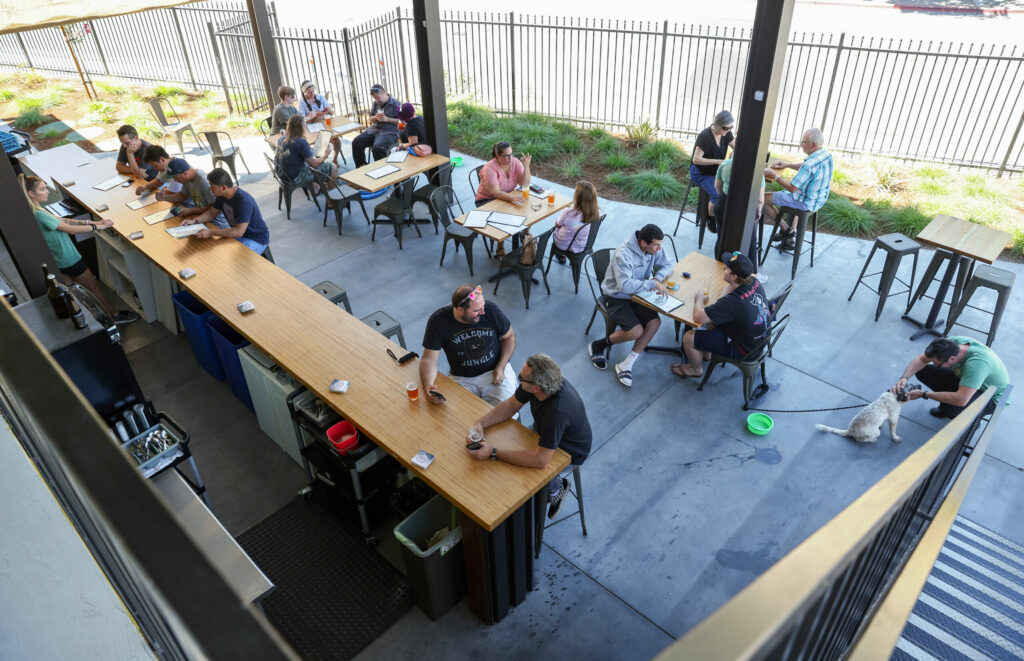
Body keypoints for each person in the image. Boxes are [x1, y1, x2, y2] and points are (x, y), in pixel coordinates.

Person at [466, 353, 593, 519]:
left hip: (568, 451)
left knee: (520, 478)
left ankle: (557, 487)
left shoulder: (557, 412)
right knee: (509, 461)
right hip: (544, 432)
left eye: (521, 378)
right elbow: (511, 405)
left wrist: (493, 452)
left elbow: (541, 460)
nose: (519, 380)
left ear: (536, 388)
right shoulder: (539, 385)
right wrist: (480, 424)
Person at [24, 176, 138, 325]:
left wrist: (89, 222)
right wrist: (98, 227)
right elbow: (70, 229)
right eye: (42, 189)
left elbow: (63, 220)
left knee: (74, 293)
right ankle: (115, 315)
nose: (47, 192)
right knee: (93, 288)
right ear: (31, 193)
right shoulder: (40, 214)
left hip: (58, 260)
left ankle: (95, 320)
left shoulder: (36, 210)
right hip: (68, 259)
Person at [588, 223, 673, 388]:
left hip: (638, 295)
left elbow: (669, 263)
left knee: (655, 322)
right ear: (643, 243)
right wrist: (651, 284)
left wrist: (657, 278)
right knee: (636, 331)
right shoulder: (623, 254)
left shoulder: (654, 248)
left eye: (660, 244)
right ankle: (598, 345)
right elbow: (624, 286)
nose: (659, 249)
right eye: (656, 245)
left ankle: (627, 364)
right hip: (615, 296)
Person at [671, 252, 771, 379]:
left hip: (744, 350)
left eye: (727, 268)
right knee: (714, 319)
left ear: (734, 277)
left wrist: (699, 300)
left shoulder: (733, 302)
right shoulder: (754, 282)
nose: (724, 268)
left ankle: (695, 369)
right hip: (759, 341)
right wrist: (719, 305)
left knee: (688, 337)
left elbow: (698, 317)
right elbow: (729, 290)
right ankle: (707, 354)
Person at [420, 284, 517, 407]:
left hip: (494, 372)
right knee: (451, 416)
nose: (483, 312)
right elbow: (428, 360)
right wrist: (428, 386)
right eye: (477, 310)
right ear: (460, 310)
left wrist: (501, 367)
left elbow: (509, 337)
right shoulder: (438, 321)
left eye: (483, 306)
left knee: (508, 412)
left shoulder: (490, 310)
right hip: (462, 378)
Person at [890, 336, 1009, 419]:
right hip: (974, 382)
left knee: (954, 406)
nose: (935, 366)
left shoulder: (977, 364)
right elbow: (922, 360)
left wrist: (924, 394)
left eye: (938, 364)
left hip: (996, 398)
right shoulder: (952, 343)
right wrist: (904, 378)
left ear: (952, 359)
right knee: (923, 370)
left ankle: (970, 423)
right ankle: (948, 404)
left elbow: (961, 400)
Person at [763, 127, 833, 251]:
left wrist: (775, 176)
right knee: (791, 202)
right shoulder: (825, 154)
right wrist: (787, 165)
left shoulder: (809, 165)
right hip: (818, 199)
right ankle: (789, 240)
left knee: (763, 199)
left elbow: (792, 189)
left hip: (805, 202)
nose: (801, 144)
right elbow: (807, 167)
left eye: (803, 142)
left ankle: (787, 231)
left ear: (813, 145)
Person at [181, 168, 270, 255]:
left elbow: (238, 232)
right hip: (238, 236)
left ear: (223, 187)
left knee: (236, 258)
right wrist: (195, 221)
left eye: (212, 186)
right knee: (214, 251)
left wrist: (211, 232)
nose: (210, 188)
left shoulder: (244, 202)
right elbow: (212, 213)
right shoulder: (221, 196)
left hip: (255, 239)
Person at [475, 140, 533, 257]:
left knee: (529, 206)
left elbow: (524, 184)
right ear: (497, 155)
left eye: (511, 154)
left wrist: (526, 167)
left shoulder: (515, 162)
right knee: (503, 216)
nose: (510, 158)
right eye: (506, 156)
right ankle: (500, 247)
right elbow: (495, 192)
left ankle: (524, 232)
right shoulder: (490, 169)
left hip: (507, 195)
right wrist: (513, 198)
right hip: (487, 200)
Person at [712, 139, 765, 267]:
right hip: (745, 207)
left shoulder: (725, 165)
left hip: (724, 203)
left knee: (722, 236)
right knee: (749, 241)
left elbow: (717, 186)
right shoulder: (757, 170)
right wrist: (758, 210)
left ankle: (719, 266)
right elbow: (759, 198)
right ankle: (751, 273)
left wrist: (724, 198)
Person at [139, 154, 228, 228]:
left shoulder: (204, 181)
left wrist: (191, 211)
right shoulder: (187, 179)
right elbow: (183, 195)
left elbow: (214, 209)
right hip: (200, 216)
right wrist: (165, 197)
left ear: (185, 173)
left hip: (216, 221)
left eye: (176, 178)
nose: (176, 181)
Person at [689, 110, 735, 233]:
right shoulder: (705, 136)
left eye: (731, 127)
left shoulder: (726, 134)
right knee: (717, 194)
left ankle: (724, 216)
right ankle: (710, 218)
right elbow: (696, 159)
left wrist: (736, 152)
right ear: (719, 125)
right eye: (727, 127)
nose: (729, 130)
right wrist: (716, 161)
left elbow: (737, 147)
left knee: (730, 189)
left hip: (715, 172)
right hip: (700, 172)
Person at [275, 115, 336, 193]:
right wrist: (326, 155)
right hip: (294, 177)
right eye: (305, 125)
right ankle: (332, 200)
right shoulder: (300, 141)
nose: (306, 127)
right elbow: (315, 164)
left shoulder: (282, 137)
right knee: (333, 167)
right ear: (302, 127)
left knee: (313, 159)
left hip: (282, 175)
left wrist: (308, 150)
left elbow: (295, 150)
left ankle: (316, 188)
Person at [351, 84, 401, 168]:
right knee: (356, 142)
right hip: (375, 129)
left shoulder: (396, 104)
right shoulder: (375, 104)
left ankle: (383, 171)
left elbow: (402, 121)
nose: (376, 101)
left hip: (389, 132)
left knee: (378, 148)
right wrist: (375, 117)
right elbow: (370, 119)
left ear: (383, 93)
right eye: (375, 98)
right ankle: (361, 167)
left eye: (378, 98)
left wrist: (388, 119)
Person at [551, 180, 600, 264]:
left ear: (577, 197)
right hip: (583, 245)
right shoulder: (597, 212)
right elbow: (578, 225)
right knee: (574, 227)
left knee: (557, 229)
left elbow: (557, 225)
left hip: (565, 245)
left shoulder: (568, 212)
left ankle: (561, 255)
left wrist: (569, 211)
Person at [297, 80, 342, 165]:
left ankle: (335, 160)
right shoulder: (301, 102)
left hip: (324, 125)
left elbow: (332, 112)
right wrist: (313, 116)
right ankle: (320, 164)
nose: (312, 93)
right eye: (309, 92)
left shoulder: (319, 97)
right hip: (311, 129)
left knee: (337, 140)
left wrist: (327, 111)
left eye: (313, 91)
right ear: (304, 92)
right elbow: (301, 121)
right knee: (322, 141)